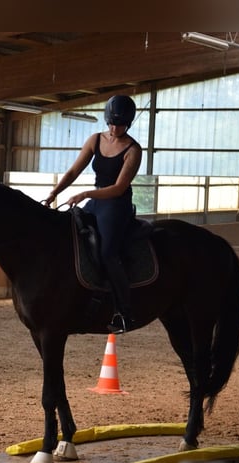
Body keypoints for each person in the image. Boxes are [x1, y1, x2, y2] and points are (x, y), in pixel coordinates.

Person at [44, 94, 142, 334]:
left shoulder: (133, 149)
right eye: (110, 123)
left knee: (108, 253)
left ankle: (124, 312)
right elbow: (73, 171)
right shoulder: (95, 140)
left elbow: (119, 188)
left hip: (116, 205)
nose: (113, 128)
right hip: (97, 201)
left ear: (128, 123)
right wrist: (53, 193)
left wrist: (85, 195)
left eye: (119, 124)